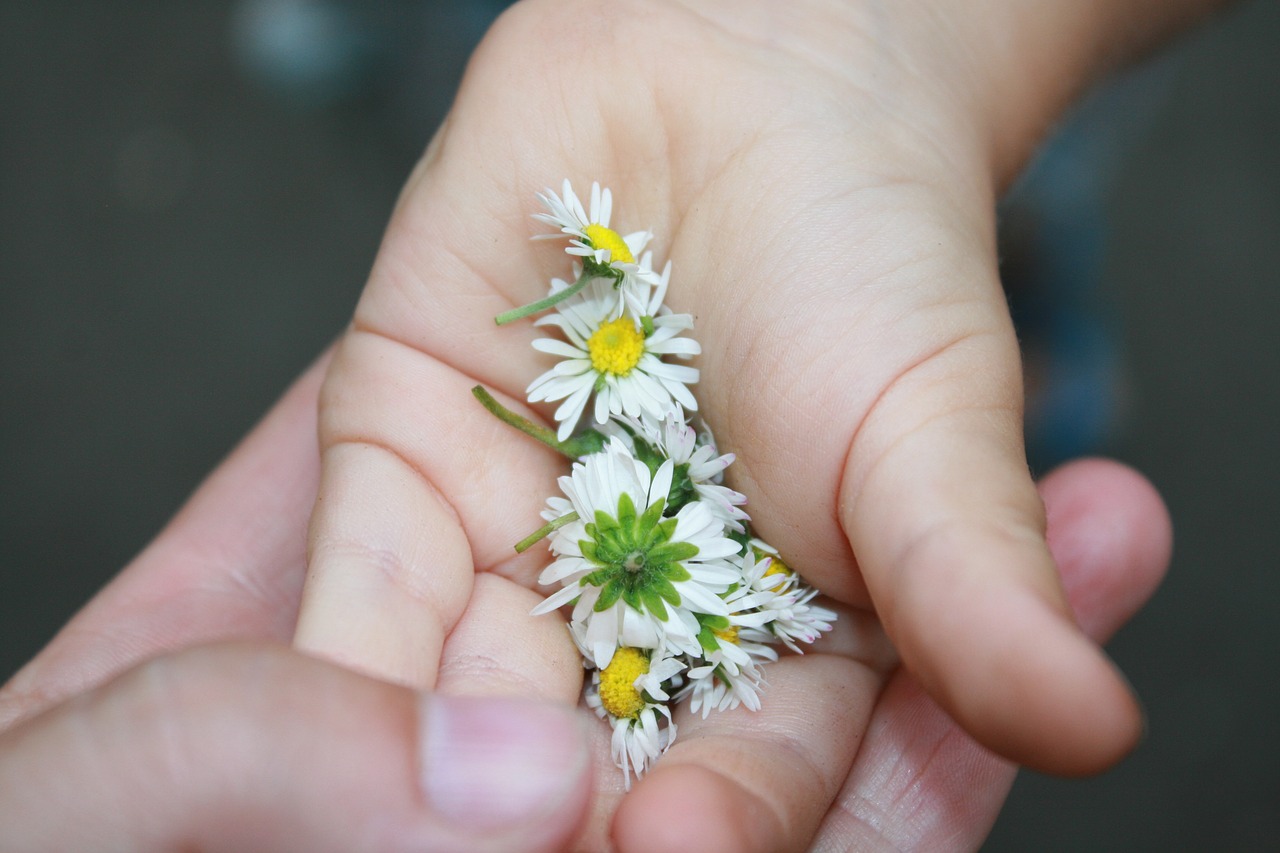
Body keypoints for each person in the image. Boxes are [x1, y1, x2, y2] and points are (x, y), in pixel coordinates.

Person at [0, 0, 1224, 849]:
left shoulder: (641, 362)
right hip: (544, 79)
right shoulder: (582, 294)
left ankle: (1024, 368)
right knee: (453, 98)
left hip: (920, 90)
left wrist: (886, 46)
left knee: (992, 256)